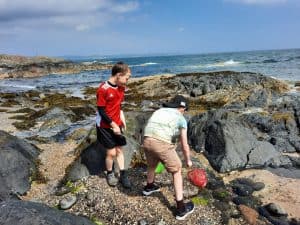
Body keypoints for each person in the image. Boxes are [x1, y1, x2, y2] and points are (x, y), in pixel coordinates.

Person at [142, 95, 195, 220]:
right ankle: (181, 209)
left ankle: (149, 187)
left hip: (146, 139)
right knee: (177, 171)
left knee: (151, 165)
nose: (185, 112)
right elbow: (184, 144)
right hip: (161, 143)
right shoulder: (180, 118)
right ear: (181, 107)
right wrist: (188, 160)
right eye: (185, 109)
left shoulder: (159, 111)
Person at [96, 61, 131, 189]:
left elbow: (118, 105)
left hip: (117, 123)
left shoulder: (121, 88)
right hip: (105, 126)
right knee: (111, 153)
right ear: (119, 75)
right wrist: (113, 125)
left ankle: (123, 174)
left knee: (119, 150)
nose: (127, 80)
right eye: (127, 77)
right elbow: (101, 110)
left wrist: (122, 118)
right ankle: (110, 173)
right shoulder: (103, 89)